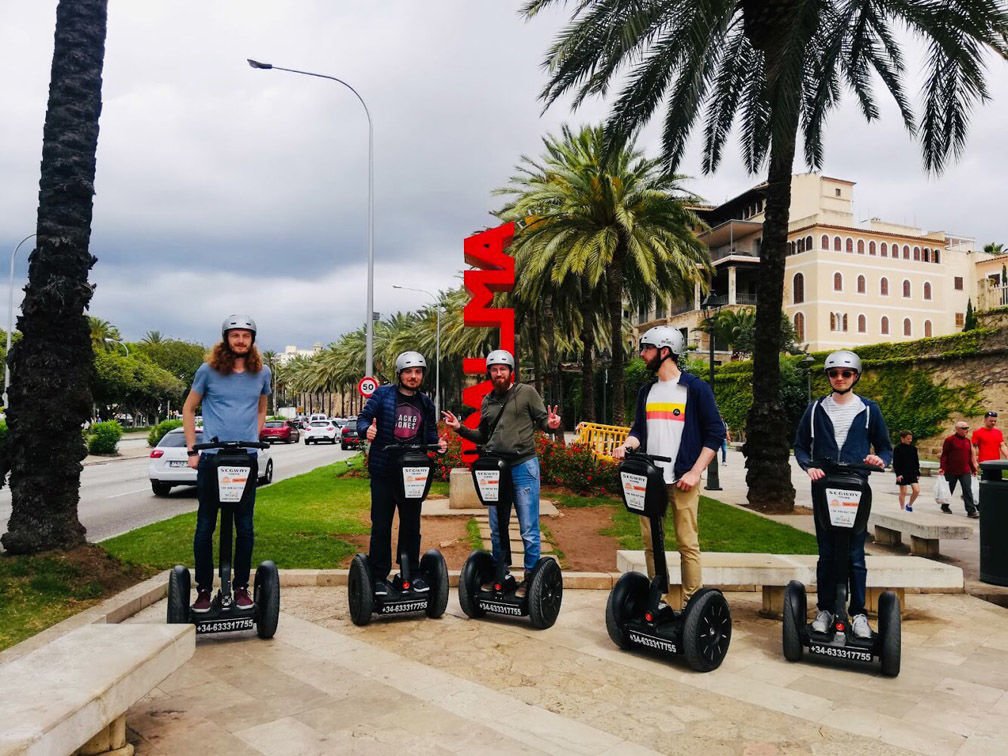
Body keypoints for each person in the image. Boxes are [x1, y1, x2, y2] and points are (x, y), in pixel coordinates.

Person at [611, 326, 724, 609]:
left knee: (687, 544)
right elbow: (639, 430)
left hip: (683, 478)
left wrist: (695, 471)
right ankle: (657, 600)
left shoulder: (695, 389)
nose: (642, 354)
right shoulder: (647, 391)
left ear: (664, 351)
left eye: (646, 349)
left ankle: (691, 605)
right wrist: (626, 446)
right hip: (650, 480)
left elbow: (714, 433)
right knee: (651, 542)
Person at [441, 349, 561, 598]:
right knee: (497, 527)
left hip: (523, 466)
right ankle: (501, 573)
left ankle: (530, 578)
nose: (499, 373)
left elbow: (542, 421)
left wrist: (551, 423)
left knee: (528, 527)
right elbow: (483, 435)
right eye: (494, 370)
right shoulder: (487, 400)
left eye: (503, 369)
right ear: (489, 373)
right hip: (495, 469)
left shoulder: (526, 392)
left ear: (511, 371)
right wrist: (459, 428)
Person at [793, 350, 892, 640]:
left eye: (845, 374)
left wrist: (880, 460)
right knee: (826, 551)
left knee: (854, 553)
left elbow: (885, 447)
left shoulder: (869, 410)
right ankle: (825, 610)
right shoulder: (814, 410)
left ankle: (858, 612)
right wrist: (807, 466)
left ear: (855, 376)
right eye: (833, 373)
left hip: (856, 485)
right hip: (823, 484)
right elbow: (800, 446)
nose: (839, 378)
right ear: (828, 377)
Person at [183, 315, 271, 613]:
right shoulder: (207, 371)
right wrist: (192, 450)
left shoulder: (262, 373)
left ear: (253, 340)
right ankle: (205, 590)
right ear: (226, 339)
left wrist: (252, 435)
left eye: (246, 336)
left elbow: (261, 409)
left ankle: (241, 587)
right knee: (206, 525)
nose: (241, 340)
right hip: (212, 458)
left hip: (245, 458)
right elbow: (189, 408)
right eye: (235, 335)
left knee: (244, 526)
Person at [356, 351, 446, 595]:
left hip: (412, 475)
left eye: (418, 372)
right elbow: (363, 418)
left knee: (410, 526)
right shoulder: (383, 394)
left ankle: (410, 572)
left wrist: (438, 447)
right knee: (381, 526)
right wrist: (366, 431)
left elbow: (430, 437)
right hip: (384, 471)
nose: (413, 376)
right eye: (408, 372)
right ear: (400, 374)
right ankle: (378, 576)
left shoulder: (426, 403)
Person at [939, 420, 979, 518]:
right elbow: (944, 455)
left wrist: (973, 469)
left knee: (967, 490)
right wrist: (942, 467)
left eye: (967, 428)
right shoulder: (949, 440)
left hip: (965, 470)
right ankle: (945, 506)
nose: (966, 430)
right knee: (949, 489)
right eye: (964, 428)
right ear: (957, 429)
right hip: (951, 469)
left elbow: (969, 456)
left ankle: (971, 511)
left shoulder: (967, 441)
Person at [892, 430, 920, 512]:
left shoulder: (913, 449)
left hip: (912, 472)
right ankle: (902, 509)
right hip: (902, 473)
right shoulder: (897, 448)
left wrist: (917, 472)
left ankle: (909, 504)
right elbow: (896, 462)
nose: (910, 440)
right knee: (903, 492)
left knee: (917, 490)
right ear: (902, 438)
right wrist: (898, 474)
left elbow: (916, 461)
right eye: (908, 439)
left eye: (911, 438)